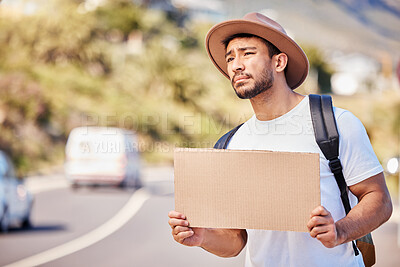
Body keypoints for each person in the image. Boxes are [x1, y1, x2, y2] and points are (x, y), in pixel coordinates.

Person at [168, 12, 392, 266]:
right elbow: (236, 240)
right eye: (230, 57)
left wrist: (340, 231)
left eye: (247, 53)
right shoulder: (233, 143)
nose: (235, 65)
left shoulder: (335, 124)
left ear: (279, 62)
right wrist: (203, 237)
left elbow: (379, 199)